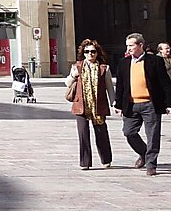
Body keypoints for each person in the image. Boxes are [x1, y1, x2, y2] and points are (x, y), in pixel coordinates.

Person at [113, 33, 171, 176]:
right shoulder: (123, 63)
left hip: (150, 104)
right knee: (129, 132)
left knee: (152, 135)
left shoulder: (155, 61)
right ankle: (144, 153)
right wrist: (118, 104)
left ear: (140, 45)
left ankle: (151, 164)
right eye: (127, 45)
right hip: (131, 104)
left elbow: (165, 84)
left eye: (131, 45)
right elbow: (120, 86)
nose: (128, 48)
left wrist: (168, 103)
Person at [67, 39, 113, 170]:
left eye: (93, 51)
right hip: (81, 105)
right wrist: (74, 75)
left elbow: (109, 88)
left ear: (97, 53)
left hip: (98, 105)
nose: (90, 54)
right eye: (87, 52)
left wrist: (114, 103)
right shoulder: (77, 66)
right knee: (83, 134)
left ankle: (106, 159)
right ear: (83, 53)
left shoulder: (104, 68)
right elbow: (67, 83)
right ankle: (85, 162)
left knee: (101, 133)